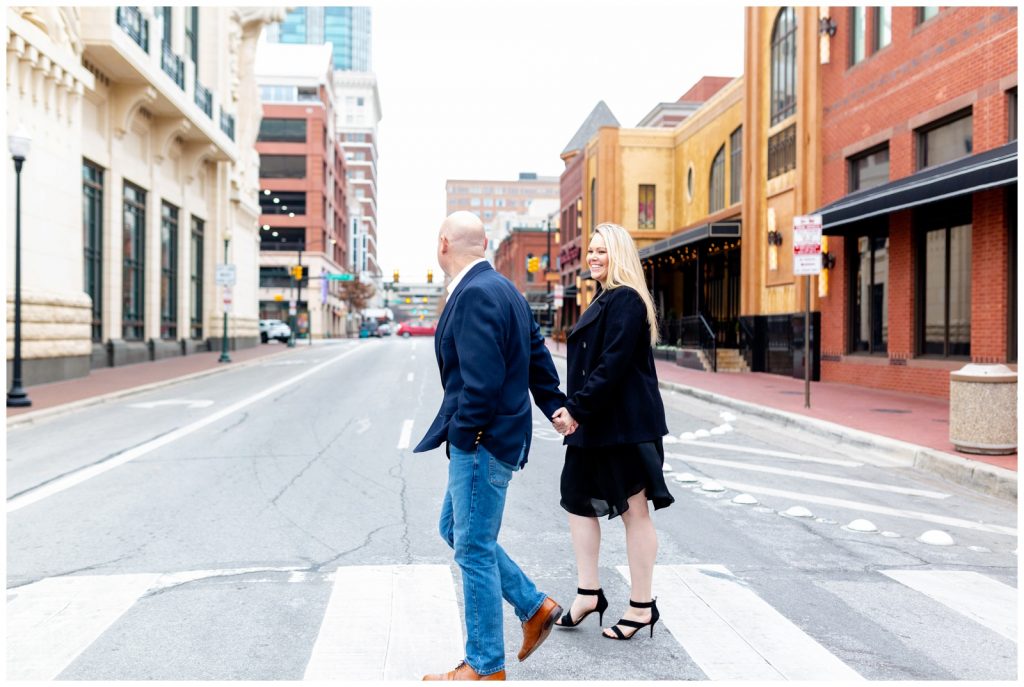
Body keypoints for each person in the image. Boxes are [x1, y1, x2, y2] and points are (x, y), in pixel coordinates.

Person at [415, 211, 568, 681]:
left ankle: (484, 666)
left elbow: (480, 385)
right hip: (495, 436)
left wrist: (465, 435)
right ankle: (532, 605)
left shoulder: (476, 294)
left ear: (444, 243)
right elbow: (537, 352)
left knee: (473, 548)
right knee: (456, 530)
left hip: (483, 441)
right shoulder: (504, 289)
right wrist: (554, 404)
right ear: (483, 243)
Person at [550, 222, 674, 641]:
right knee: (577, 502)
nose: (592, 257)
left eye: (601, 251)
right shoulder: (604, 299)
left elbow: (612, 366)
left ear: (618, 255)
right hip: (595, 425)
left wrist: (575, 410)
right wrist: (573, 410)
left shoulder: (627, 301)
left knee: (633, 512)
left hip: (623, 427)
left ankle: (641, 606)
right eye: (590, 250)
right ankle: (589, 593)